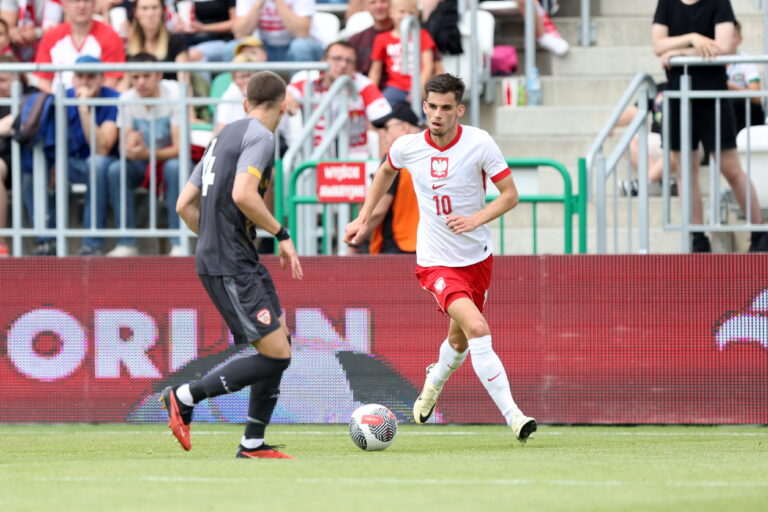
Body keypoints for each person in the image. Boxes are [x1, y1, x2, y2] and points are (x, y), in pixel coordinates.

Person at [344, 73, 537, 442]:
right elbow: (386, 170)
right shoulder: (408, 146)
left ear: (459, 110)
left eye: (445, 108)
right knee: (478, 329)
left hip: (477, 258)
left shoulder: (479, 143)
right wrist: (363, 217)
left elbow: (510, 195)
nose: (436, 115)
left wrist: (475, 219)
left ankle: (432, 382)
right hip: (435, 260)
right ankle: (515, 417)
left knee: (461, 341)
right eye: (431, 107)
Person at [165, 70, 303, 459]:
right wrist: (282, 233)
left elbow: (183, 205)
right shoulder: (261, 136)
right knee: (278, 354)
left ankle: (253, 443)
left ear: (245, 103)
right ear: (284, 103)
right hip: (232, 260)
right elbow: (244, 193)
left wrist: (215, 238)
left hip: (233, 255)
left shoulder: (222, 135)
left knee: (281, 342)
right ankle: (184, 396)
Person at [652, 0, 767, 253]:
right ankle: (697, 236)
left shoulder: (719, 3)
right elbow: (658, 45)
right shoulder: (667, 3)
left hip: (713, 98)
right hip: (679, 96)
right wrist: (693, 39)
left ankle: (759, 232)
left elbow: (723, 47)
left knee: (731, 169)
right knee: (685, 171)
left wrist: (680, 52)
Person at [107, 52, 184, 257]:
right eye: (135, 77)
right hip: (143, 161)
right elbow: (126, 147)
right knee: (117, 169)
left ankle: (179, 241)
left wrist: (144, 152)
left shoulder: (175, 93)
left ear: (158, 75)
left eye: (146, 76)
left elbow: (180, 148)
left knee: (175, 167)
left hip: (169, 160)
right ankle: (127, 242)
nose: (140, 82)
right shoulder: (126, 99)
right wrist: (132, 147)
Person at [286, 40, 391, 159]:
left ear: (354, 67)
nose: (343, 65)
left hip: (354, 163)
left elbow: (385, 120)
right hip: (313, 161)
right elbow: (284, 97)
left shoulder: (363, 85)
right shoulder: (309, 80)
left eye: (349, 61)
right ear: (323, 61)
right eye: (337, 59)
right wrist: (288, 99)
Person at [65, 55, 120, 256]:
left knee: (96, 163)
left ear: (102, 78)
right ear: (73, 79)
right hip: (71, 164)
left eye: (91, 76)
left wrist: (83, 107)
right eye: (81, 76)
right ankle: (46, 243)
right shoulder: (62, 96)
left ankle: (91, 244)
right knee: (35, 168)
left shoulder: (113, 98)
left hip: (103, 164)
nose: (85, 82)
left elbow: (102, 148)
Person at [33, 0, 125, 92]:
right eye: (75, 1)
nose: (81, 5)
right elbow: (44, 82)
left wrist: (86, 100)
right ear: (64, 5)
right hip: (57, 102)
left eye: (86, 1)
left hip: (97, 103)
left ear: (94, 4)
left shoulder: (110, 36)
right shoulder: (50, 37)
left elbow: (111, 82)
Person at [365, 101, 420, 253]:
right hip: (432, 249)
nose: (384, 135)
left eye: (387, 129)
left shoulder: (394, 158)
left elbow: (377, 210)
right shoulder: (436, 154)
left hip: (397, 249)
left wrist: (355, 241)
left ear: (404, 127)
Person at [614, 82, 676, 197]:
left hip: (688, 143)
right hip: (659, 139)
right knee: (626, 142)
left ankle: (641, 184)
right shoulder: (658, 89)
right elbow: (633, 112)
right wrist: (613, 124)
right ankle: (663, 179)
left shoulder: (699, 85)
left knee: (679, 144)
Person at [368, 0, 435, 106]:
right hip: (395, 87)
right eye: (402, 11)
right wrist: (371, 94)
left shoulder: (423, 35)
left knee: (425, 113)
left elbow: (428, 66)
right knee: (383, 109)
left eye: (411, 12)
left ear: (417, 15)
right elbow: (375, 69)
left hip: (420, 86)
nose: (406, 16)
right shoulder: (382, 38)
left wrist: (420, 86)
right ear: (391, 13)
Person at [232, 0, 324, 62]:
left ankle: (298, 89)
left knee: (300, 47)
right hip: (266, 47)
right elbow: (240, 34)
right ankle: (241, 91)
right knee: (232, 48)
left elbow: (301, 32)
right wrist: (258, 4)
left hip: (302, 47)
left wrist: (278, 1)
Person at [727, 20, 764, 133]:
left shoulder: (746, 60)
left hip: (742, 114)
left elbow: (757, 97)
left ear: (740, 39)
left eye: (732, 36)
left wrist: (731, 88)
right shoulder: (707, 59)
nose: (728, 40)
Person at [214, 53, 264, 134]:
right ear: (234, 80)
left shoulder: (269, 94)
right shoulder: (229, 96)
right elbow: (220, 131)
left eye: (249, 75)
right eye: (242, 77)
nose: (247, 80)